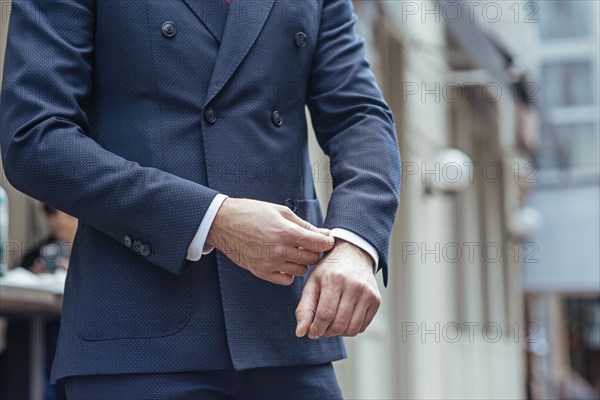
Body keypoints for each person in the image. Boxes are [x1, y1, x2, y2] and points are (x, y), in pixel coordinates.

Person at [0, 0, 401, 398]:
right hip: (136, 342)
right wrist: (213, 219)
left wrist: (355, 240)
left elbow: (359, 116)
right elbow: (36, 140)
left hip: (286, 332)